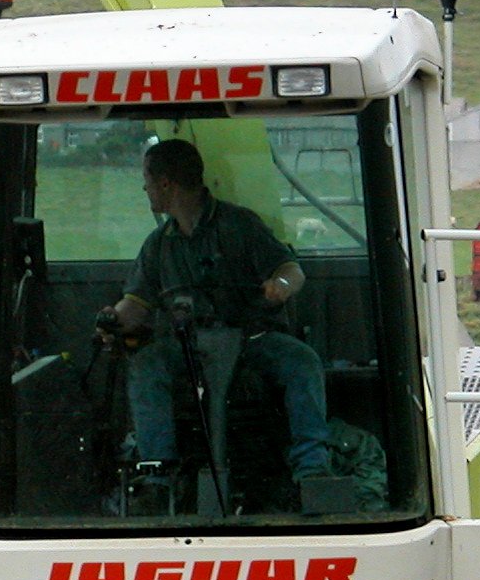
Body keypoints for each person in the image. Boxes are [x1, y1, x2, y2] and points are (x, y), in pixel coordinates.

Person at [103, 138, 330, 495]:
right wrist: (113, 320)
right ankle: (158, 477)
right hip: (187, 345)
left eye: (147, 181)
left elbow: (291, 270)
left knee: (302, 361)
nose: (145, 189)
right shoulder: (158, 244)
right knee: (146, 366)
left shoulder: (241, 226)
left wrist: (280, 285)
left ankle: (312, 470)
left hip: (251, 339)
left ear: (165, 183)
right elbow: (136, 304)